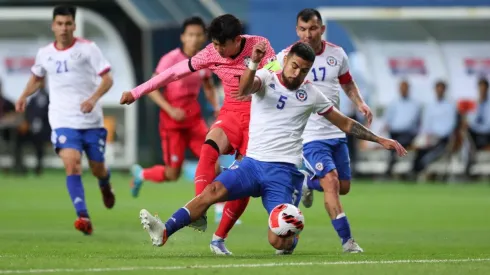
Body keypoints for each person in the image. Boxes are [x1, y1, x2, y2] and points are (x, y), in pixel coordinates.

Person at [136, 42, 406, 254]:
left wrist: (380, 139)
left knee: (278, 242)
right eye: (295, 66)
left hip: (282, 173)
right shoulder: (266, 77)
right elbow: (243, 89)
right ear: (285, 61)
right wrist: (253, 62)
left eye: (304, 70)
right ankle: (164, 231)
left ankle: (292, 229)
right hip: (251, 165)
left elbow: (345, 123)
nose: (297, 73)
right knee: (212, 191)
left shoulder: (311, 94)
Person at [120, 14, 280, 255]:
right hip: (232, 112)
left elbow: (279, 78)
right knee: (208, 148)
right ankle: (199, 212)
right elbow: (173, 73)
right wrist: (136, 91)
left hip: (259, 118)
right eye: (213, 43)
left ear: (237, 41)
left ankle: (219, 238)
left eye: (220, 45)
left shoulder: (260, 45)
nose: (215, 49)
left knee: (243, 180)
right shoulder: (210, 53)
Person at [276, 9, 373, 253]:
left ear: (322, 29)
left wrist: (360, 102)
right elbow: (269, 81)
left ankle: (308, 182)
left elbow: (347, 82)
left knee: (343, 186)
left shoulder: (337, 54)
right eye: (303, 29)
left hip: (336, 133)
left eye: (313, 29)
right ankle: (348, 241)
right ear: (297, 30)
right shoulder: (287, 55)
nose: (308, 34)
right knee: (330, 182)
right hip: (309, 135)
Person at [15, 5, 115, 235]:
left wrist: (93, 98)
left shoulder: (89, 49)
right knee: (72, 163)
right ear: (53, 26)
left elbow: (107, 79)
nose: (63, 28)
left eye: (68, 23)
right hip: (62, 120)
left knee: (98, 167)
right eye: (59, 23)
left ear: (74, 26)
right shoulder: (45, 53)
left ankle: (105, 185)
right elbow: (37, 79)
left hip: (91, 121)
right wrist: (23, 95)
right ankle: (83, 216)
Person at [130, 17, 220, 197]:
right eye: (190, 35)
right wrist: (170, 110)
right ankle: (141, 174)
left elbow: (208, 87)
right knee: (173, 174)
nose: (194, 39)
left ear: (203, 38)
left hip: (194, 120)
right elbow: (152, 88)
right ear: (183, 37)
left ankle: (217, 207)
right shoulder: (170, 59)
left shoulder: (204, 59)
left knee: (214, 163)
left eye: (198, 35)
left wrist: (218, 108)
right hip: (172, 123)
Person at [412, 81, 458, 178]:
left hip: (442, 138)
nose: (439, 91)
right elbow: (425, 124)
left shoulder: (450, 106)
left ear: (444, 91)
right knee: (418, 148)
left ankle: (419, 169)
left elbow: (451, 125)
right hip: (430, 137)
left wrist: (438, 134)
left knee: (428, 156)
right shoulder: (430, 106)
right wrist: (428, 135)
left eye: (441, 89)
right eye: (438, 89)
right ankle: (415, 171)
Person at [384, 80, 421, 176]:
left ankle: (390, 166)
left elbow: (414, 122)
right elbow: (388, 120)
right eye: (402, 88)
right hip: (394, 132)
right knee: (390, 141)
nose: (403, 90)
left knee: (396, 143)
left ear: (408, 89)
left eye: (405, 88)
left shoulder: (415, 104)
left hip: (408, 133)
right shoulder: (394, 103)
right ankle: (392, 162)